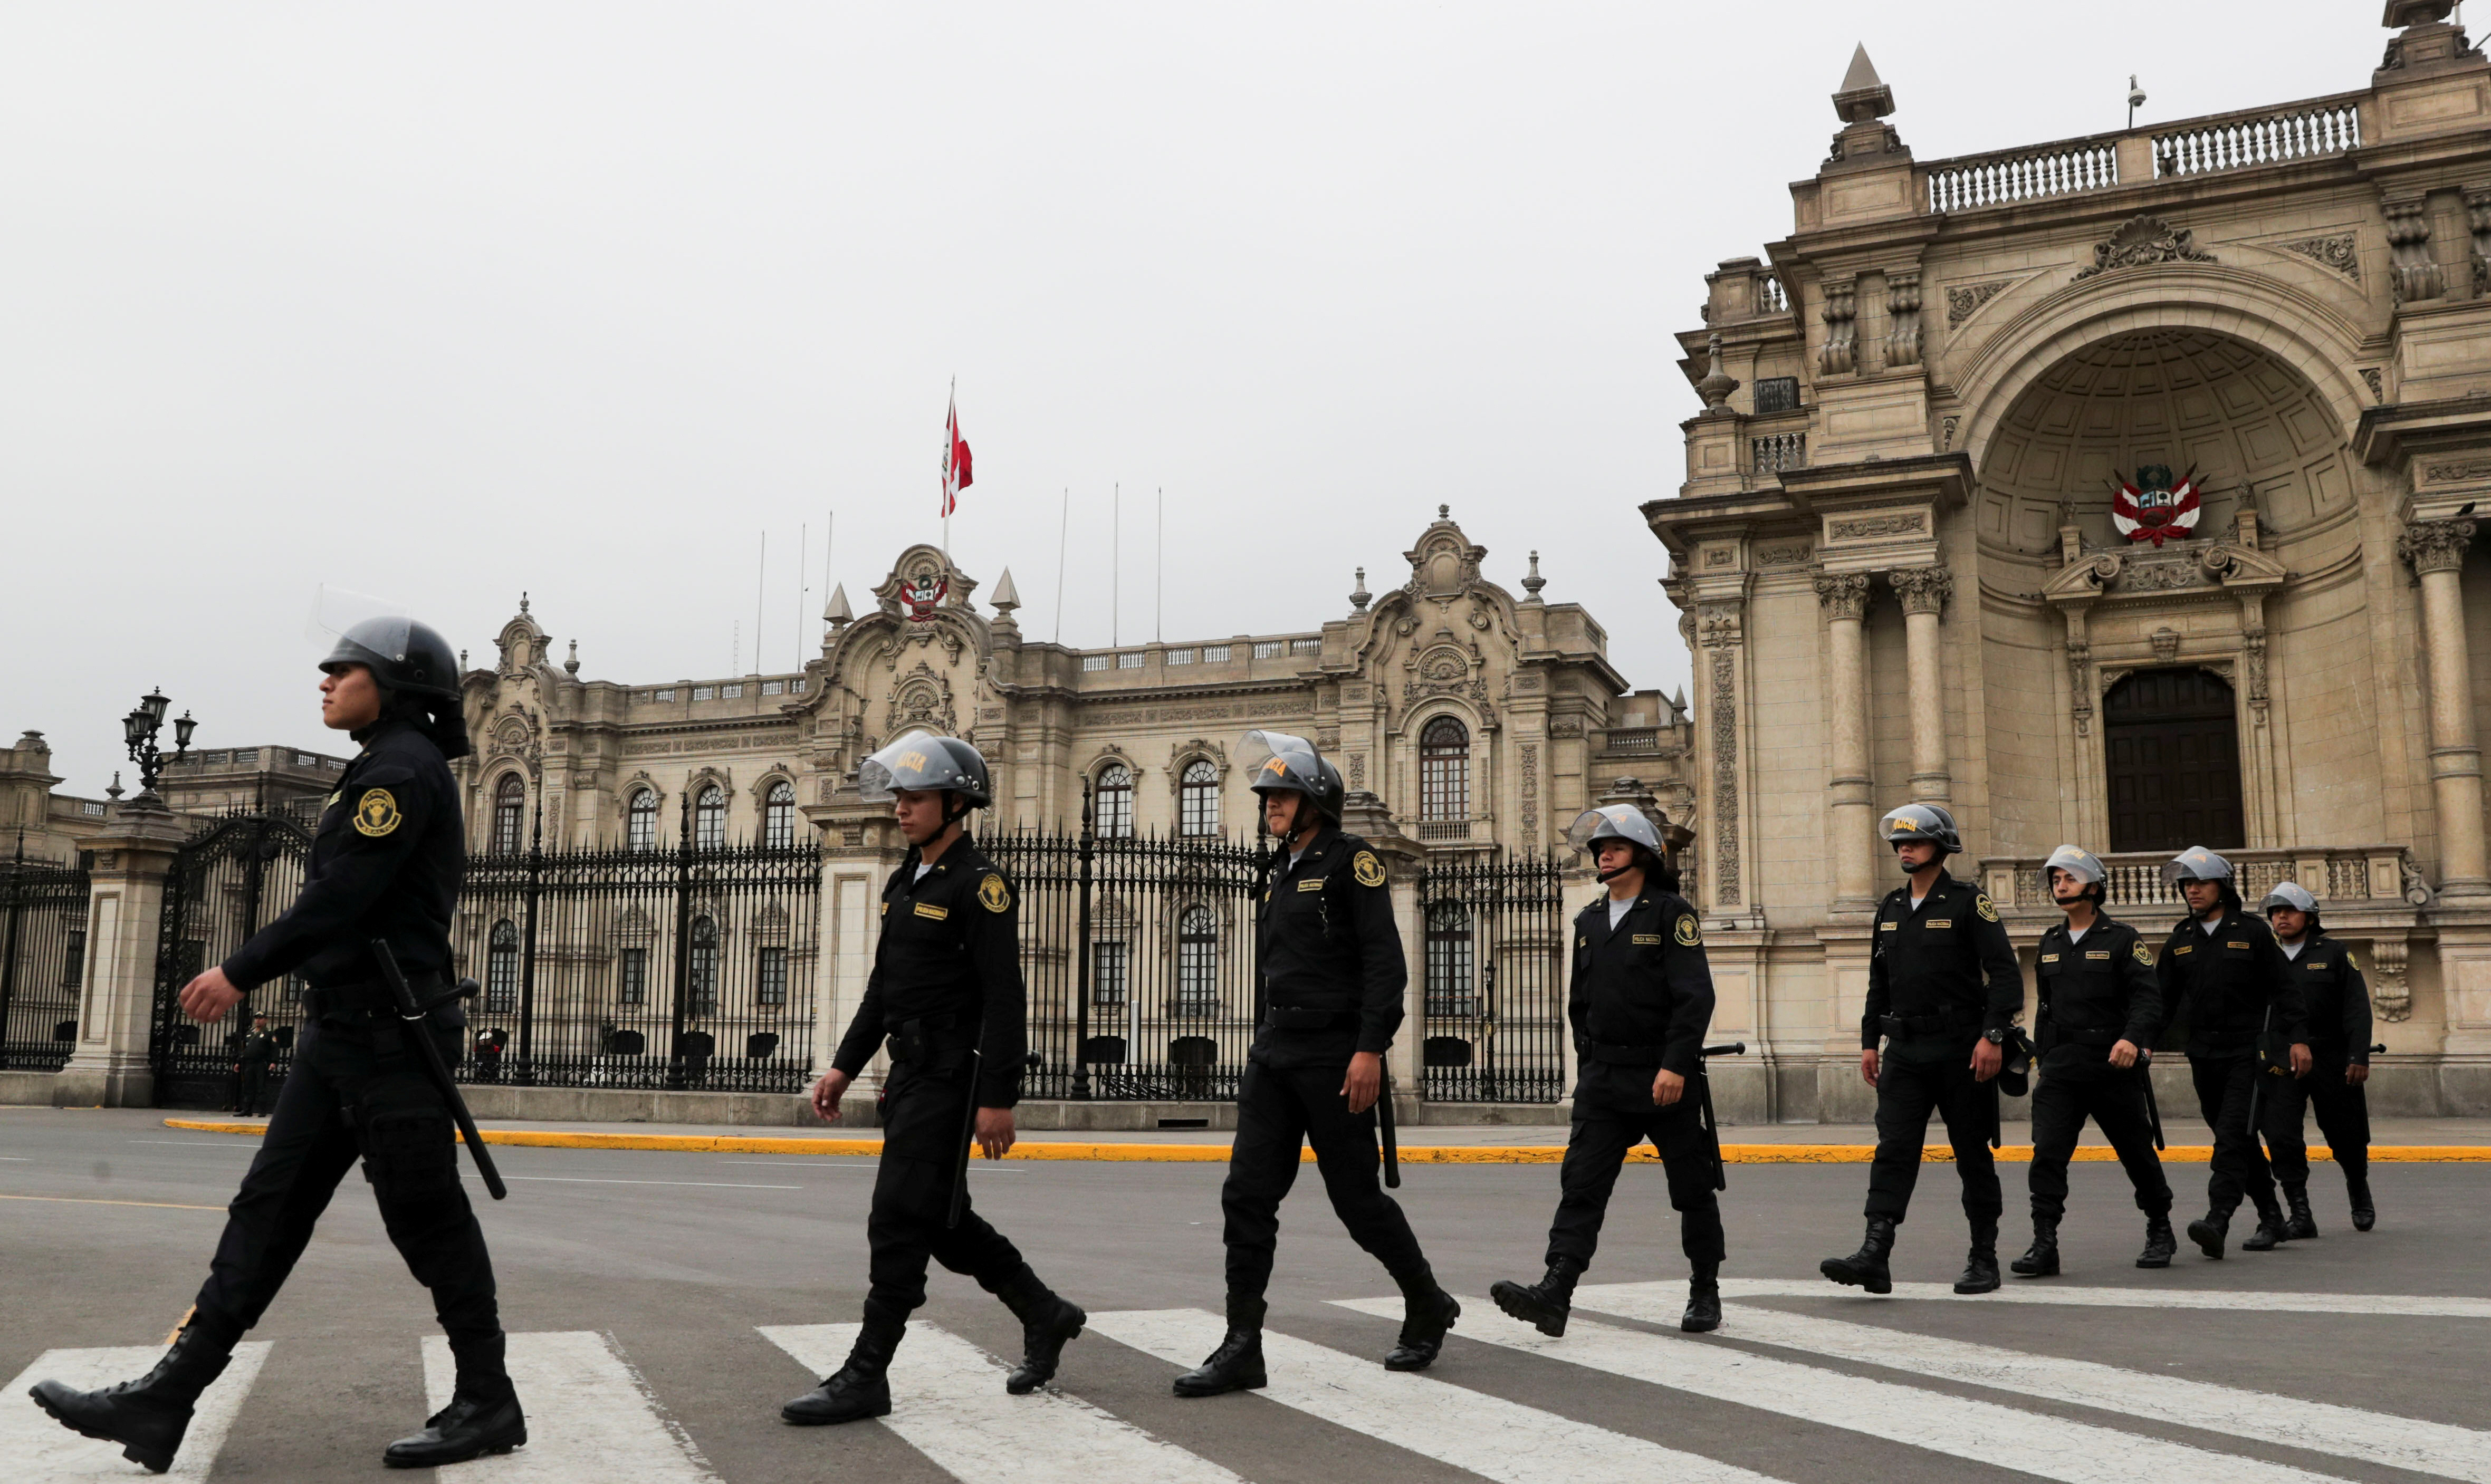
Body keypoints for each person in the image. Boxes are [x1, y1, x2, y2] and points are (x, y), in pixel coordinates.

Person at [30, 615, 524, 1471]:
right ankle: (167, 1397)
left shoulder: (401, 770)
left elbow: (343, 896)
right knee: (266, 1212)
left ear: (395, 686)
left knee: (427, 1219)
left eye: (345, 669)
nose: (326, 680)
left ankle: (488, 1396)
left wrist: (240, 968)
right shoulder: (372, 768)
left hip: (392, 1035)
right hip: (340, 1032)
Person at [784, 730, 1084, 1426]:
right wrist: (843, 1065)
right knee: (941, 1221)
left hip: (953, 1076)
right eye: (899, 796)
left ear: (955, 803)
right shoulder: (903, 882)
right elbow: (882, 989)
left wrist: (998, 1097)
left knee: (897, 1216)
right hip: (910, 1075)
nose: (900, 808)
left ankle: (867, 1373)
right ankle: (1046, 1312)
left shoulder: (981, 885)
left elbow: (1005, 997)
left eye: (915, 797)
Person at [1172, 730, 1455, 1398]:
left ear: (1315, 802)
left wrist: (1370, 1049)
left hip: (1334, 1055)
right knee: (1246, 1196)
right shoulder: (1279, 870)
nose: (1269, 804)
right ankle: (1242, 1345)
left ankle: (1426, 1300)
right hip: (1275, 1051)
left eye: (1282, 794)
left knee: (1356, 1201)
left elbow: (1385, 964)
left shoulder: (1352, 862)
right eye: (1266, 795)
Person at [1490, 804, 1724, 1337]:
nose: (1604, 855)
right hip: (1604, 1080)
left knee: (1692, 1188)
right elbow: (1580, 1004)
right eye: (1599, 849)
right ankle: (1556, 1292)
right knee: (1582, 1186)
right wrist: (1589, 1063)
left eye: (1616, 847)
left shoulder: (1671, 914)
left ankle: (1705, 1288)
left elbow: (1695, 998)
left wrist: (1675, 1065)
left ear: (1643, 855)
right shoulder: (1589, 921)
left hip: (1663, 1078)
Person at [1822, 803, 2022, 1296]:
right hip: (1904, 1052)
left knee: (1971, 1155)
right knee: (1893, 1150)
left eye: (1915, 841)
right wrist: (1869, 1042)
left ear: (1941, 846)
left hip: (1961, 1051)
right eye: (1900, 842)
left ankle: (1984, 1257)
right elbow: (1879, 981)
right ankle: (1875, 1253)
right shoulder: (1890, 908)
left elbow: (2005, 974)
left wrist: (1993, 1037)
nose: (1904, 848)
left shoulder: (1968, 902)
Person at [2013, 846, 2174, 1276]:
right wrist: (2042, 1056)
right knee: (2047, 1154)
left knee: (2136, 1152)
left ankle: (2160, 1227)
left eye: (2070, 878)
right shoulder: (2050, 941)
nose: (2061, 886)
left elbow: (2148, 1000)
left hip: (2112, 1066)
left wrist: (2132, 1039)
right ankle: (2044, 1242)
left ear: (2094, 887)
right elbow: (2046, 1008)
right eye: (2056, 880)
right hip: (2062, 1068)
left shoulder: (2122, 938)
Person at [2155, 847, 2310, 1259]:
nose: (2193, 890)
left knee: (2231, 1135)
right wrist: (2140, 1041)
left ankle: (2218, 1218)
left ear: (2222, 887)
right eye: (2187, 884)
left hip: (2248, 1052)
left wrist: (2298, 1039)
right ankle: (2272, 1217)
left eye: (2201, 882)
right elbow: (2161, 1003)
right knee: (2239, 1139)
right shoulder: (2181, 938)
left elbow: (2286, 990)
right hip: (2203, 1054)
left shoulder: (2253, 931)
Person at [2259, 882, 2376, 1235]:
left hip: (2331, 1056)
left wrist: (2358, 1055)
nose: (2281, 917)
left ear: (2309, 918)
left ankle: (2359, 1189)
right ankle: (2300, 1212)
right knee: (2281, 1136)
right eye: (2275, 912)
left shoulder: (2334, 953)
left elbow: (2357, 1008)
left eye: (2289, 911)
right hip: (2281, 1059)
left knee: (2346, 1134)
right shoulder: (2263, 956)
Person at [233, 1014, 280, 1118]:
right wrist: (238, 1062)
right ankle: (247, 1110)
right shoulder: (250, 1033)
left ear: (265, 1020)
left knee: (261, 1087)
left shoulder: (269, 1033)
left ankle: (262, 1110)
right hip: (249, 1063)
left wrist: (274, 1062)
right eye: (256, 1019)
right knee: (248, 1087)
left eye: (260, 1018)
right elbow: (244, 1049)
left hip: (261, 1063)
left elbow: (275, 1048)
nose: (258, 1020)